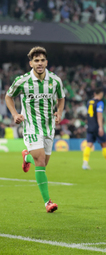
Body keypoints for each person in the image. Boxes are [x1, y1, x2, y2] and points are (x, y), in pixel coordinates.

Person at [5, 46, 65, 213]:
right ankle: (48, 202)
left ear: (46, 62)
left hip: (49, 127)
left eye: (42, 60)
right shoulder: (22, 81)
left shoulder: (55, 81)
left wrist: (59, 112)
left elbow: (61, 98)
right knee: (40, 162)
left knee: (43, 163)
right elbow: (9, 96)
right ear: (31, 63)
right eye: (36, 60)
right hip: (31, 126)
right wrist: (15, 114)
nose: (39, 63)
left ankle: (27, 156)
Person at [82, 88, 106, 170]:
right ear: (101, 94)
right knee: (104, 144)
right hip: (97, 127)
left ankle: (85, 163)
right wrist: (101, 127)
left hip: (90, 126)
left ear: (94, 93)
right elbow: (99, 115)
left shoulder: (89, 102)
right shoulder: (100, 103)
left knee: (89, 144)